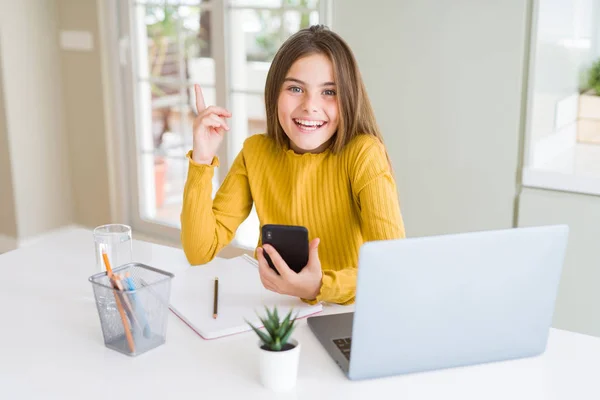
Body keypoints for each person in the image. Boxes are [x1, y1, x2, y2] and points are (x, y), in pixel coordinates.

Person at [181, 25, 405, 305]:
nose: (310, 106)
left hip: (346, 313)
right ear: (275, 93)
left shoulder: (364, 154)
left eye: (329, 92)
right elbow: (199, 250)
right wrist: (201, 160)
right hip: (278, 308)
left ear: (348, 99)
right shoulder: (256, 152)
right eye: (296, 88)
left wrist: (319, 285)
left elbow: (395, 269)